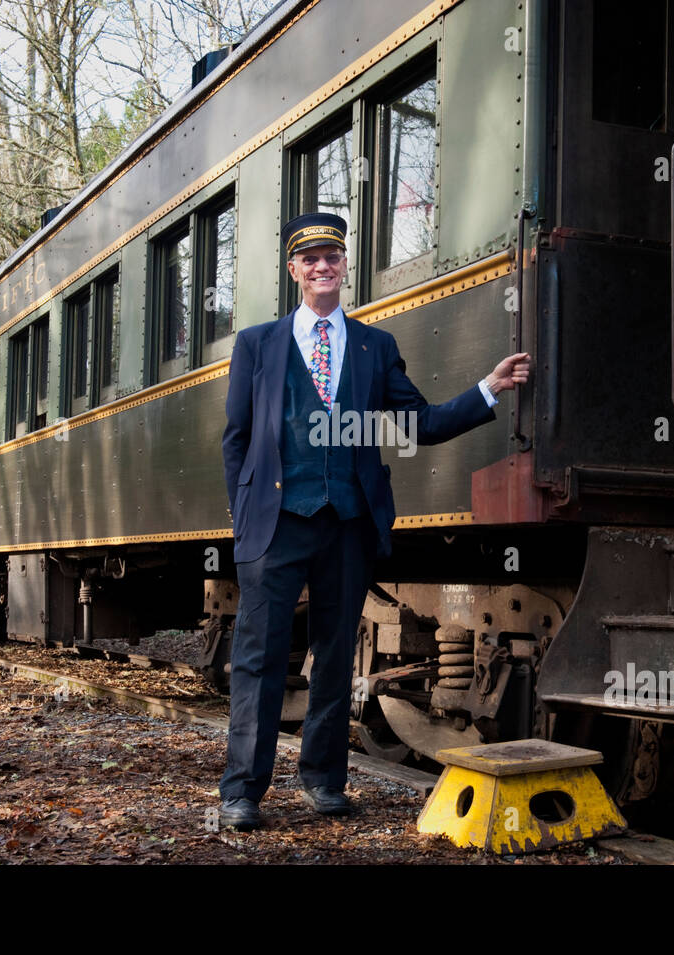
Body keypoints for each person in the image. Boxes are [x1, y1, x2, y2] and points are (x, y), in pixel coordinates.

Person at [218, 211, 530, 830]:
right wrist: (248, 515)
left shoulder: (373, 345)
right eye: (310, 259)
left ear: (343, 266)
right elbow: (237, 439)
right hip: (276, 524)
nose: (322, 266)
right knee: (259, 657)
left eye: (332, 256)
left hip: (348, 525)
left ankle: (324, 782)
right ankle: (242, 793)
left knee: (334, 658)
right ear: (294, 271)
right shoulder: (258, 344)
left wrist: (487, 389)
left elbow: (421, 423)